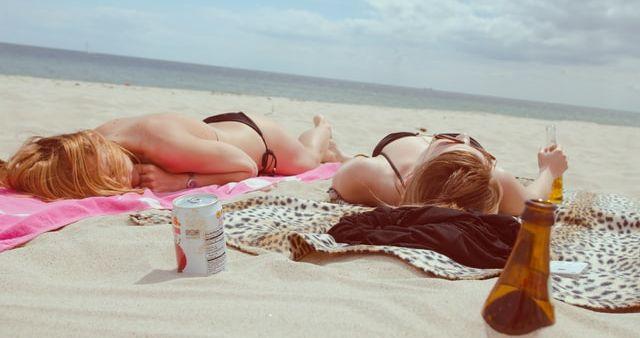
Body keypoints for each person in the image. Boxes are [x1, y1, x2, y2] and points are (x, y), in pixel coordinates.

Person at [0, 112, 340, 201]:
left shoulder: (159, 145)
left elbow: (246, 166)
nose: (123, 182)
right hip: (210, 137)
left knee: (310, 159)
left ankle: (323, 131)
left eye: (115, 174)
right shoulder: (95, 143)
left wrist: (182, 181)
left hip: (260, 142)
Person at [330, 131, 568, 216]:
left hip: (460, 151)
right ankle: (340, 154)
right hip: (405, 144)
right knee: (355, 162)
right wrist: (549, 170)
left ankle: (340, 154)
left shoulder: (494, 180)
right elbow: (533, 200)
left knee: (355, 163)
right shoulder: (378, 179)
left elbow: (533, 200)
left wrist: (548, 168)